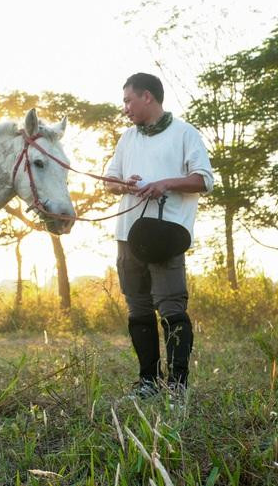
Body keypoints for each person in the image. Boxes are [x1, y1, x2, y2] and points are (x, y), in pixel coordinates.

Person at [105, 72, 214, 399]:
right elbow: (109, 180)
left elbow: (203, 180)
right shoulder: (127, 138)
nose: (125, 108)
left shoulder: (185, 133)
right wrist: (123, 184)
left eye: (128, 100)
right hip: (128, 236)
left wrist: (165, 183)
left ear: (147, 97)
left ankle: (178, 386)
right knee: (138, 310)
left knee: (172, 310)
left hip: (164, 235)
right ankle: (148, 383)